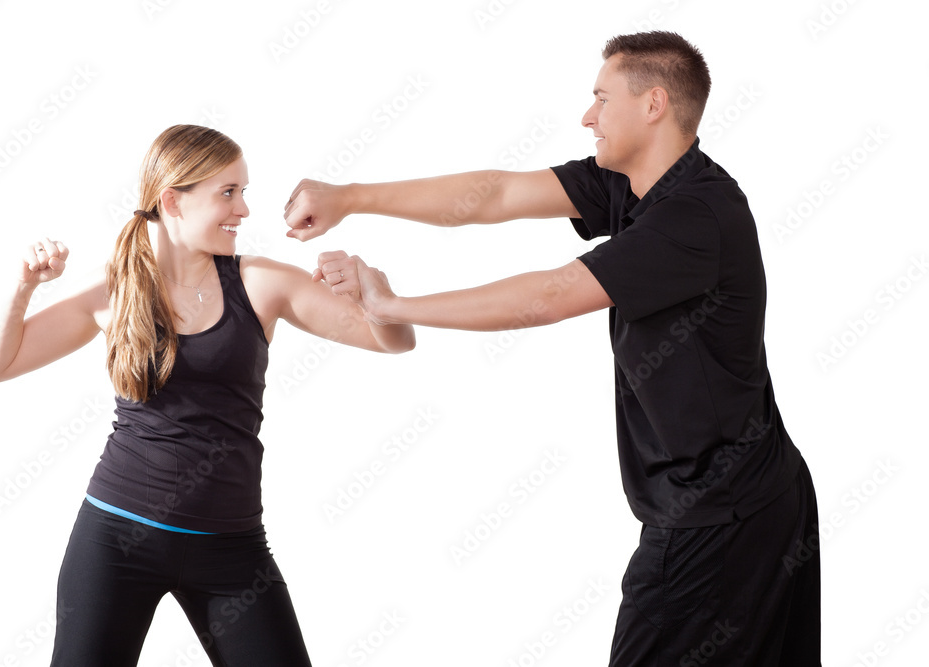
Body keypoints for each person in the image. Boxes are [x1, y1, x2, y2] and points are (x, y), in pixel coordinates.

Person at [286, 31, 820, 666]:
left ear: (653, 104)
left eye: (600, 97)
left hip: (722, 516)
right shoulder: (632, 184)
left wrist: (392, 307)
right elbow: (497, 194)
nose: (587, 115)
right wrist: (351, 198)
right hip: (753, 501)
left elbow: (550, 295)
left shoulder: (696, 215)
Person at [0, 124, 415, 666]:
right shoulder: (113, 288)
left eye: (244, 192)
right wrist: (23, 287)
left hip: (231, 549)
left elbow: (393, 341)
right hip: (115, 538)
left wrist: (378, 296)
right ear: (172, 201)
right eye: (228, 193)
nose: (244, 211)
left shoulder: (260, 282)